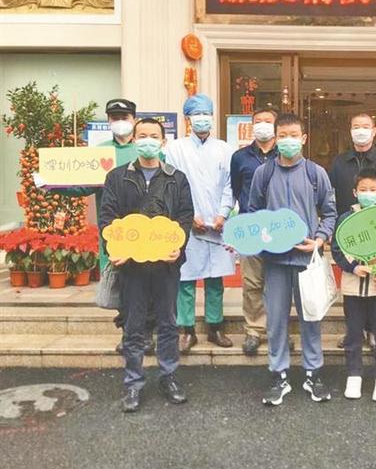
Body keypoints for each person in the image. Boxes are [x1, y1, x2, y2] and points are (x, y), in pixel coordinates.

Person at [38, 98, 154, 355]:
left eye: (124, 117)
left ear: (134, 120)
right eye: (115, 118)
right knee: (121, 283)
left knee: (146, 282)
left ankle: (146, 332)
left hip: (146, 231)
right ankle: (128, 334)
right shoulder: (98, 153)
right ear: (109, 121)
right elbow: (82, 186)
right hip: (113, 231)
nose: (120, 122)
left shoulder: (146, 150)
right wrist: (51, 185)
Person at [99, 118, 194, 413]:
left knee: (168, 323)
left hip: (166, 266)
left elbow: (185, 216)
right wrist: (115, 249)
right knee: (133, 325)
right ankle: (133, 383)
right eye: (142, 136)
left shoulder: (176, 178)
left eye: (154, 136)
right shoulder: (117, 178)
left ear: (163, 141)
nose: (148, 140)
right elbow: (107, 217)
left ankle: (169, 377)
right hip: (132, 267)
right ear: (134, 140)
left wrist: (178, 248)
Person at [249, 113, 337, 406]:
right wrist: (261, 235)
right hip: (274, 262)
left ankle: (313, 374)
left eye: (293, 135)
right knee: (275, 320)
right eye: (283, 136)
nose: (288, 141)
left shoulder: (315, 173)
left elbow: (330, 212)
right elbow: (253, 211)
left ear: (303, 139)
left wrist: (320, 239)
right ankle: (279, 375)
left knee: (311, 317)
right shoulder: (264, 174)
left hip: (306, 261)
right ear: (275, 139)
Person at [164, 94, 236, 354]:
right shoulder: (174, 149)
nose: (202, 119)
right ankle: (186, 330)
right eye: (197, 114)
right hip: (187, 224)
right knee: (186, 278)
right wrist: (189, 215)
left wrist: (223, 214)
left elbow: (231, 184)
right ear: (188, 119)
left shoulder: (225, 149)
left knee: (215, 278)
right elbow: (171, 185)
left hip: (218, 224)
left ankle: (215, 327)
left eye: (206, 114)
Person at [329, 113, 376, 351]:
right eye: (356, 126)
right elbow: (333, 197)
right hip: (349, 232)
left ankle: (375, 331)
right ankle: (353, 332)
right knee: (353, 286)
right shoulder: (339, 162)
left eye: (365, 126)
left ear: (374, 131)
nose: (361, 130)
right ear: (350, 131)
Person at [331, 168, 376, 402]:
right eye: (363, 190)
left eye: (372, 190)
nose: (368, 193)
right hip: (353, 287)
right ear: (355, 192)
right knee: (353, 334)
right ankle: (354, 376)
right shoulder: (345, 218)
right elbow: (337, 249)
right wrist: (353, 267)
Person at [230, 108, 279, 355]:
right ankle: (254, 330)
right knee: (252, 282)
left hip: (279, 230)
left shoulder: (286, 154)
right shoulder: (240, 157)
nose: (262, 125)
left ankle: (277, 330)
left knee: (278, 283)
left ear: (276, 126)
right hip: (250, 228)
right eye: (258, 121)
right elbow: (236, 189)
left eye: (268, 121)